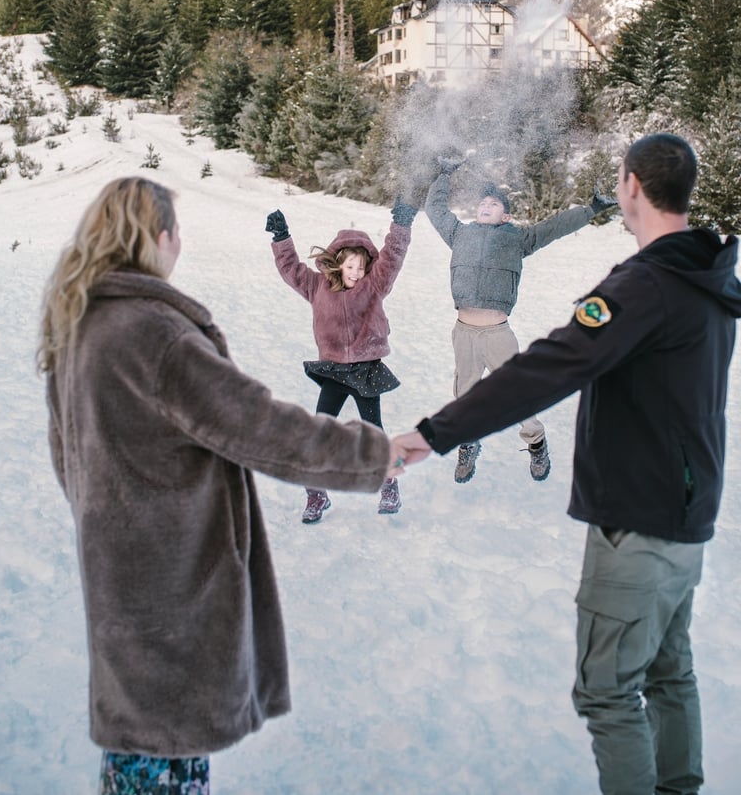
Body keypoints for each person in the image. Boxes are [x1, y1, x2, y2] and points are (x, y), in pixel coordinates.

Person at [395, 134, 741, 795]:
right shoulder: (708, 278)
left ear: (633, 186)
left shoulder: (644, 285)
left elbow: (551, 366)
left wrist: (433, 432)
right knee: (671, 675)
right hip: (686, 522)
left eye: (618, 178)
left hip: (636, 527)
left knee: (609, 693)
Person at [39, 177, 396, 795]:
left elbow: (65, 455)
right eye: (178, 234)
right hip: (173, 578)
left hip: (116, 573)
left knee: (139, 748)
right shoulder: (154, 332)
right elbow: (257, 424)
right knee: (167, 750)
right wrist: (378, 454)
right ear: (160, 237)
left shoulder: (77, 322)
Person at [425, 157, 615, 484]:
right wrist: (443, 175)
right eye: (483, 202)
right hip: (464, 333)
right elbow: (435, 210)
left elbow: (555, 226)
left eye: (494, 202)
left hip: (497, 334)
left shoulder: (517, 239)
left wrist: (591, 209)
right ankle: (469, 442)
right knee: (465, 396)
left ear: (506, 215)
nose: (486, 204)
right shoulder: (459, 234)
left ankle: (536, 442)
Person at [266, 198, 416, 521]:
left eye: (361, 267)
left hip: (366, 369)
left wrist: (401, 224)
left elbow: (391, 258)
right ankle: (316, 493)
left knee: (374, 430)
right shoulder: (317, 286)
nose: (357, 273)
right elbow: (291, 270)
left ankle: (389, 484)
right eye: (350, 267)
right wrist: (281, 237)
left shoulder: (374, 286)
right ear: (336, 263)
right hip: (334, 370)